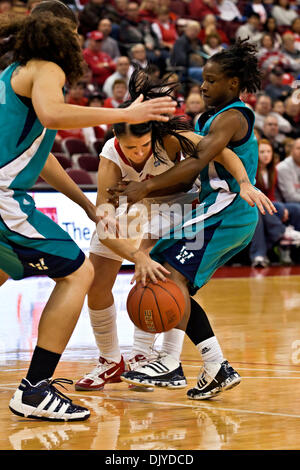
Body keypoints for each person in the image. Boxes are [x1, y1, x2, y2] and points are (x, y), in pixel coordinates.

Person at [0, 0, 177, 422]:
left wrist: (84, 205)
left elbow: (39, 156)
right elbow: (54, 114)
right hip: (4, 193)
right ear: (69, 34)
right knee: (78, 272)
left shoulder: (13, 72)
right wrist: (126, 113)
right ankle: (35, 388)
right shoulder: (47, 67)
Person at [75, 70, 272, 393]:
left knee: (164, 279)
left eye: (142, 146)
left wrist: (246, 182)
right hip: (129, 205)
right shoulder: (110, 158)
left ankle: (146, 355)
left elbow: (223, 152)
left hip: (173, 206)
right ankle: (110, 360)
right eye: (130, 148)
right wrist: (136, 254)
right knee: (98, 282)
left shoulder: (169, 138)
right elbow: (105, 224)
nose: (138, 153)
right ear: (116, 141)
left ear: (152, 134)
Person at [250, 139, 300, 268]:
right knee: (259, 209)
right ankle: (282, 234)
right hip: (252, 204)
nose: (266, 155)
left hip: (269, 204)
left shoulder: (273, 171)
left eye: (268, 151)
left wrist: (282, 208)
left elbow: (271, 197)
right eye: (262, 152)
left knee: (296, 209)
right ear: (256, 154)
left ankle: (289, 244)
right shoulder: (251, 170)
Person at [277, 138, 300, 203]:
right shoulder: (283, 167)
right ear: (292, 150)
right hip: (286, 204)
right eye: (298, 148)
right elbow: (290, 197)